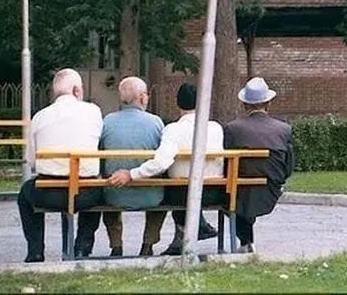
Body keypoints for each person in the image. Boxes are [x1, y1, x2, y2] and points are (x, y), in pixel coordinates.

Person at [109, 82, 225, 255]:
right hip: (214, 192)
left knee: (166, 186)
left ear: (178, 103)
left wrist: (131, 174)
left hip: (181, 194)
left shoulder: (173, 130)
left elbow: (161, 163)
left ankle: (185, 235)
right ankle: (190, 232)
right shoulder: (216, 128)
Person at [17, 68, 103, 262]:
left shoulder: (39, 116)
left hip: (49, 193)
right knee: (100, 190)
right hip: (85, 193)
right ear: (76, 90)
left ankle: (35, 251)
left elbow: (31, 160)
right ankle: (82, 247)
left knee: (25, 194)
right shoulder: (93, 111)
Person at [86, 76, 165, 257]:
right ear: (142, 97)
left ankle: (116, 246)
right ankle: (148, 244)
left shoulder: (107, 121)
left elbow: (100, 156)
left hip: (115, 195)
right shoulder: (156, 122)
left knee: (108, 181)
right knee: (164, 189)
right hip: (151, 196)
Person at [222, 77, 296, 253]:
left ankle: (246, 241)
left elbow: (224, 164)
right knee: (245, 195)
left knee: (236, 196)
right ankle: (247, 242)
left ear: (244, 105)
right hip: (270, 187)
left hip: (238, 189)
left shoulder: (232, 128)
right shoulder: (284, 129)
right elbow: (288, 167)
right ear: (268, 103)